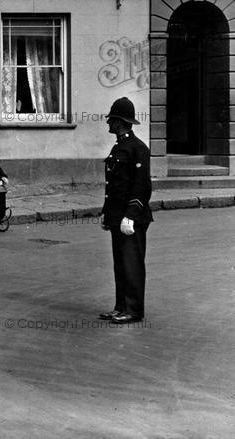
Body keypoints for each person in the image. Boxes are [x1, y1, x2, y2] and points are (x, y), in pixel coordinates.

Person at [99, 97, 153, 325]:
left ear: (120, 122)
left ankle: (133, 310)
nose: (108, 124)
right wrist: (106, 212)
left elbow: (141, 186)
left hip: (131, 218)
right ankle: (121, 306)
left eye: (111, 120)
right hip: (116, 216)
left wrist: (130, 215)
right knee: (120, 264)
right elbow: (113, 186)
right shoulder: (118, 147)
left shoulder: (138, 149)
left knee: (131, 264)